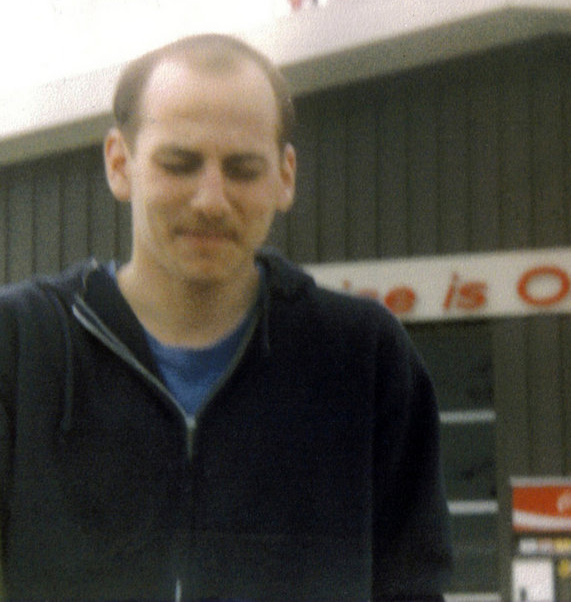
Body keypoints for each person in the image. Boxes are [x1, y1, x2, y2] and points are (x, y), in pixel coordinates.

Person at [0, 33, 452, 601]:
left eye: (242, 169)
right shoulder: (20, 345)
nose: (211, 199)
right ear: (119, 163)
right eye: (179, 164)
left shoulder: (364, 357)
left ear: (285, 176)